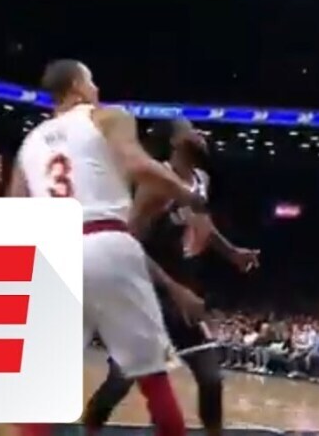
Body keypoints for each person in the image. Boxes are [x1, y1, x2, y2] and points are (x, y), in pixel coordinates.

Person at [11, 60, 211, 436]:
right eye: (92, 81)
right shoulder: (106, 117)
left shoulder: (30, 142)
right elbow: (138, 164)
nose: (97, 89)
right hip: (106, 241)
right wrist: (188, 194)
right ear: (77, 85)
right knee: (153, 377)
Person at [83, 118, 259, 436]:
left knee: (211, 378)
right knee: (120, 381)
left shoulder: (201, 179)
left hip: (181, 292)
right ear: (177, 142)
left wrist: (233, 252)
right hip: (146, 289)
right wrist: (174, 288)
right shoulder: (155, 183)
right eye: (191, 129)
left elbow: (203, 225)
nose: (200, 134)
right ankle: (89, 428)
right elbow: (127, 242)